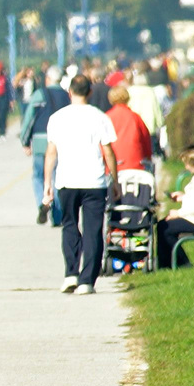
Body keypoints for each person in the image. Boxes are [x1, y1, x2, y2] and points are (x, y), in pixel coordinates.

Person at [42, 75, 119, 295]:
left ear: (70, 92)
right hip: (94, 180)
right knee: (93, 230)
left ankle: (70, 274)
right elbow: (108, 152)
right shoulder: (99, 117)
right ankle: (87, 281)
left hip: (66, 180)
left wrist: (47, 182)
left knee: (69, 226)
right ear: (90, 92)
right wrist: (114, 179)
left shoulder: (57, 118)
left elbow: (51, 153)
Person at [20, 66, 70, 226]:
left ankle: (42, 203)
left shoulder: (39, 94)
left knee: (38, 175)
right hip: (59, 142)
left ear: (47, 79)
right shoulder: (66, 96)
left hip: (40, 140)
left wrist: (25, 140)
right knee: (56, 177)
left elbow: (29, 119)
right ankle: (57, 215)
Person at [103, 86, 152, 174]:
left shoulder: (107, 117)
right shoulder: (135, 117)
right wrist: (148, 157)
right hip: (136, 164)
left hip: (114, 166)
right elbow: (146, 140)